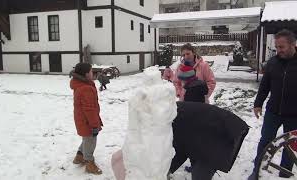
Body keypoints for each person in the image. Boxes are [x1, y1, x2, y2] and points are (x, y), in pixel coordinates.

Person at [111, 101, 249, 180]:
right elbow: (183, 148)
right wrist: (168, 170)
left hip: (221, 132)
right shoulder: (167, 117)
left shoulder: (169, 119)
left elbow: (181, 148)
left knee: (201, 174)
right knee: (198, 166)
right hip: (204, 133)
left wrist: (166, 170)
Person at [248, 29, 297, 180]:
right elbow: (265, 85)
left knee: (291, 146)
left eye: (281, 47)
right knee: (265, 141)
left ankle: (284, 172)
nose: (278, 50)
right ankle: (257, 170)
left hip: (294, 114)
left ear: (293, 45)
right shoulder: (272, 62)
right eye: (276, 47)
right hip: (273, 112)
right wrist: (258, 104)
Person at [70, 62, 103, 175]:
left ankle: (79, 156)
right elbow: (90, 110)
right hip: (87, 121)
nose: (92, 73)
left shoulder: (80, 84)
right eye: (90, 71)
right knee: (90, 140)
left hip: (81, 119)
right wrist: (94, 125)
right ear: (85, 74)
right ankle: (89, 162)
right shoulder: (85, 88)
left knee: (86, 138)